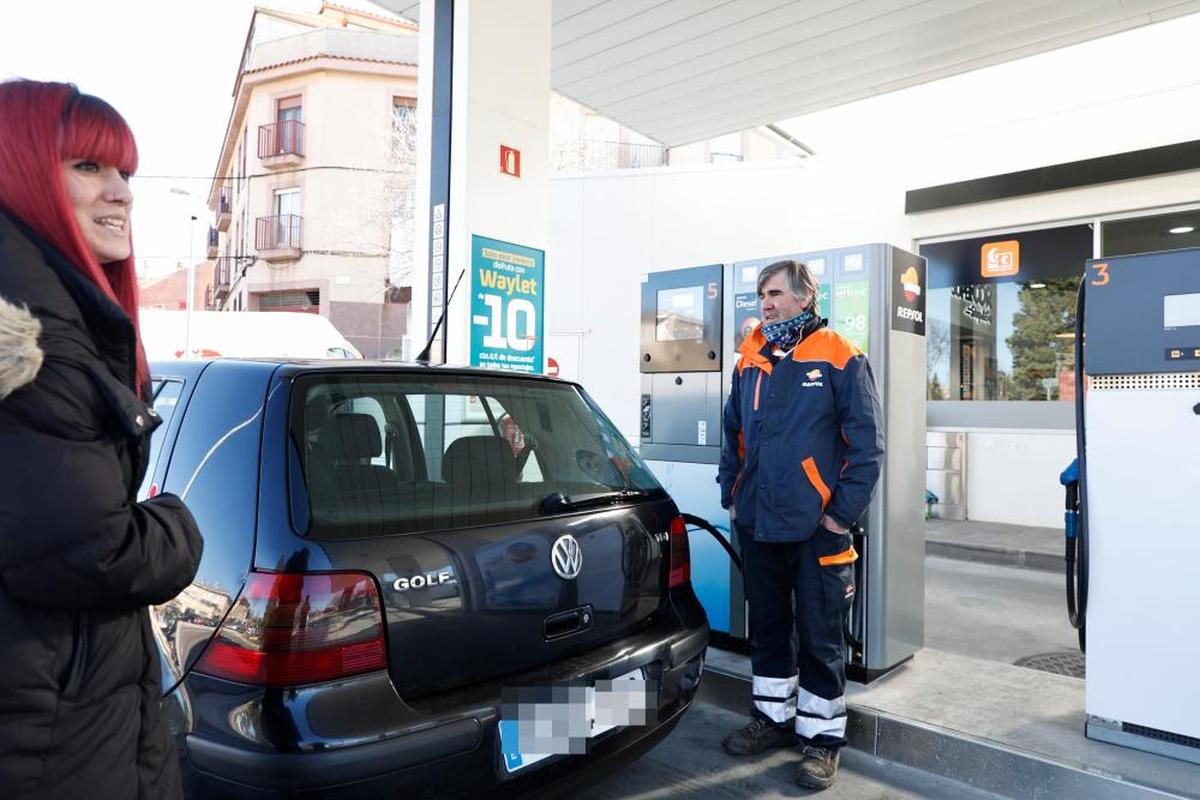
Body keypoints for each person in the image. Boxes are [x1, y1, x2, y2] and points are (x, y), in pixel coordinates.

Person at [0, 80, 204, 799]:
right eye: (88, 167)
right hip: (50, 736)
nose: (122, 192)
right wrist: (178, 526)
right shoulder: (30, 342)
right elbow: (92, 550)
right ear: (19, 170)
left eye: (124, 172)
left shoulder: (56, 319)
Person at [717, 259, 883, 790]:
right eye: (761, 295)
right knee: (767, 629)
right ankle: (771, 719)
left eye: (774, 294)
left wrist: (839, 517)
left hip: (818, 528)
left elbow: (867, 447)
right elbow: (733, 436)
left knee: (820, 635)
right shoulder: (751, 358)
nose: (764, 304)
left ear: (804, 297)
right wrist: (733, 495)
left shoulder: (840, 355)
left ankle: (821, 739)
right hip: (759, 522)